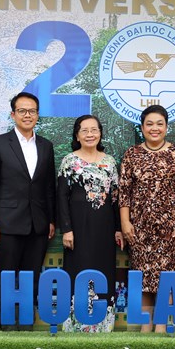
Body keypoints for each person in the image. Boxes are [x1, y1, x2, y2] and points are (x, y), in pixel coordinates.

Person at [0, 92, 56, 330]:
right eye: (22, 111)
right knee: (6, 277)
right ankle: (7, 326)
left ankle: (26, 326)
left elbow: (48, 187)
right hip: (7, 223)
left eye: (32, 111)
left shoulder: (46, 146)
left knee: (31, 277)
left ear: (37, 115)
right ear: (13, 114)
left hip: (38, 224)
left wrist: (51, 220)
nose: (27, 115)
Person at [120, 105, 175, 333]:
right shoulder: (132, 154)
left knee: (167, 277)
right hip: (139, 228)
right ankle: (146, 325)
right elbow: (124, 192)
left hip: (171, 229)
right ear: (142, 127)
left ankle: (161, 325)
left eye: (159, 124)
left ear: (166, 127)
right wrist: (125, 222)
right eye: (149, 124)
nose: (155, 128)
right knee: (143, 277)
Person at [57, 114, 123, 329]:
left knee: (103, 272)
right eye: (84, 130)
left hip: (104, 229)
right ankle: (75, 324)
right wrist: (66, 229)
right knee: (78, 271)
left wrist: (118, 229)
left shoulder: (109, 162)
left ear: (100, 133)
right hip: (77, 229)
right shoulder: (69, 161)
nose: (90, 134)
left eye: (94, 130)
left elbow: (115, 198)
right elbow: (61, 197)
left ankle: (102, 325)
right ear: (77, 135)